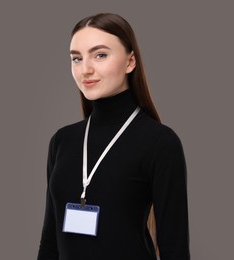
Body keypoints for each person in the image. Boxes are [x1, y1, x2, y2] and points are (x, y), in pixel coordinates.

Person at [37, 13, 190, 260]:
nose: (85, 69)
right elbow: (50, 243)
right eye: (76, 58)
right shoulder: (62, 141)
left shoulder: (160, 143)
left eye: (100, 55)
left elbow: (175, 250)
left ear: (130, 62)